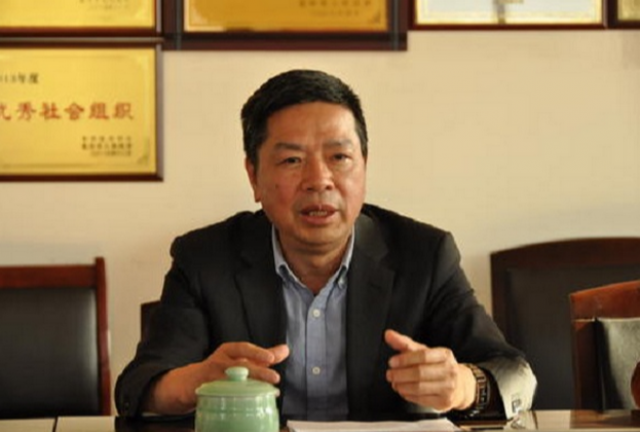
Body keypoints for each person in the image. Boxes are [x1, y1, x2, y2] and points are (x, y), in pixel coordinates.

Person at [115, 69, 536, 421]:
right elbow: (138, 387)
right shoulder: (206, 259)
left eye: (339, 157)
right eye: (292, 160)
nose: (319, 180)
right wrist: (196, 381)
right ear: (253, 177)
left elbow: (516, 374)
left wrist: (464, 386)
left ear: (364, 166)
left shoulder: (424, 255)